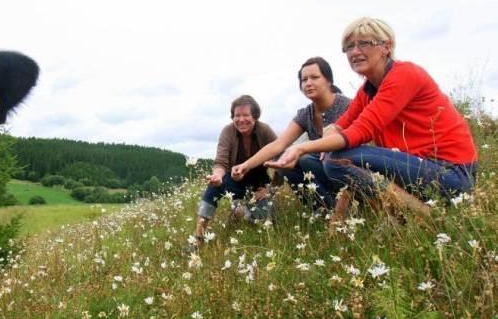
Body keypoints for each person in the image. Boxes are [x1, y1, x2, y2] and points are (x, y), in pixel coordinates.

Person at [265, 17, 477, 220]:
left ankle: (422, 215)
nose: (355, 52)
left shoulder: (405, 75)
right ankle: (382, 213)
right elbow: (343, 123)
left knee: (335, 159)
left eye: (364, 44)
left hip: (450, 174)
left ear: (386, 46)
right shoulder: (368, 90)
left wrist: (301, 147)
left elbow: (359, 132)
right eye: (349, 47)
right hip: (418, 170)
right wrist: (332, 130)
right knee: (312, 160)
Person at [231, 57, 350, 208]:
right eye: (304, 79)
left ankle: (339, 211)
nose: (308, 83)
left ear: (328, 81)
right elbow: (279, 144)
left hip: (347, 169)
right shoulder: (305, 114)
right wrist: (245, 165)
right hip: (321, 168)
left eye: (315, 77)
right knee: (284, 158)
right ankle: (320, 209)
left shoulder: (347, 106)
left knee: (306, 159)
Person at [193, 95, 277, 246]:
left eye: (246, 115)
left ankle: (241, 212)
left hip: (259, 186)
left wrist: (270, 189)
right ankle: (197, 238)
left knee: (262, 222)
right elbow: (221, 162)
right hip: (235, 183)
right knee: (214, 186)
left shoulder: (265, 131)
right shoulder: (228, 131)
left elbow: (282, 158)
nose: (241, 119)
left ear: (255, 116)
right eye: (237, 115)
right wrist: (218, 176)